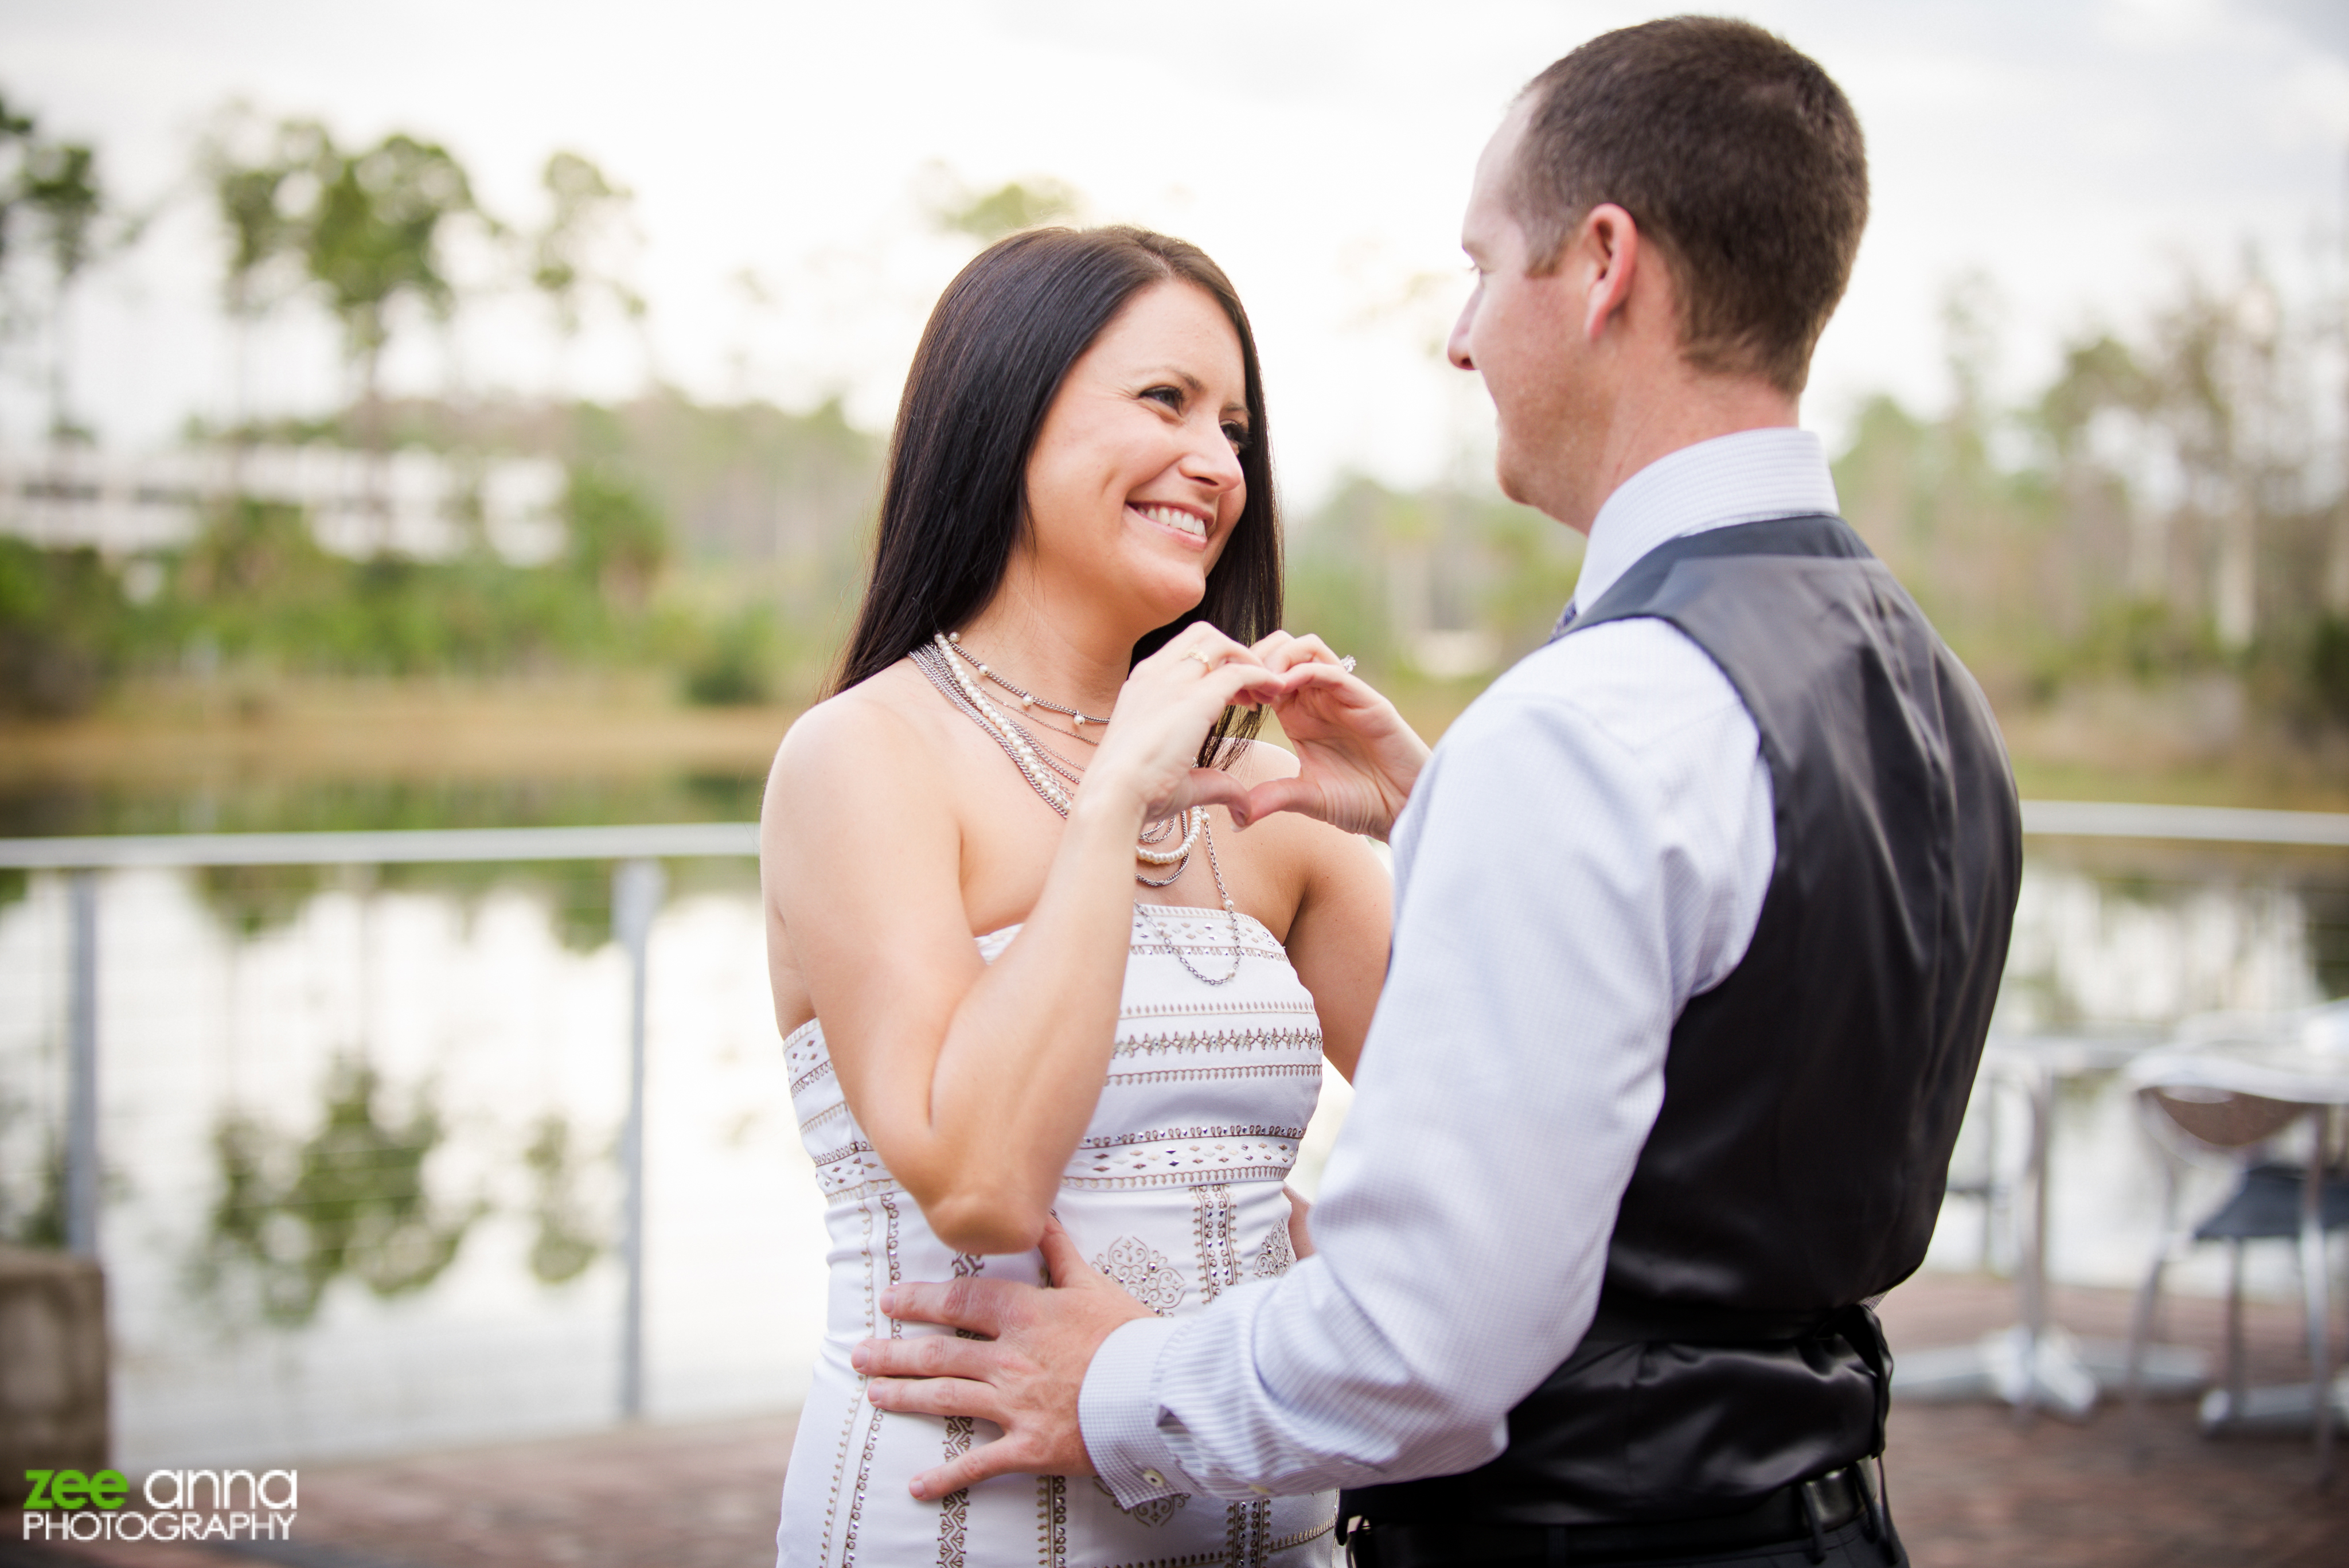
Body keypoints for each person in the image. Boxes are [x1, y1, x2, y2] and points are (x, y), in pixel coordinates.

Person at [854, 19, 2024, 1568]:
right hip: (1817, 1518)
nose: (1463, 336)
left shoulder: (1595, 720)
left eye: (1484, 266)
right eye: (1164, 403)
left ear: (1603, 266)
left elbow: (1428, 1329)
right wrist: (1445, 799)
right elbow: (1682, 1076)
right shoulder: (1940, 700)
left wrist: (1121, 1377)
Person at [759, 224, 1391, 1566]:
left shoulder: (1270, 801)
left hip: (1278, 1531)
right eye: (1163, 401)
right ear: (1004, 413)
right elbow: (979, 1181)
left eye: (1235, 426)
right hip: (956, 1529)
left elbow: (1523, 1126)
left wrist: (1421, 810)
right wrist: (1112, 800)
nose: (1217, 463)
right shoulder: (863, 760)